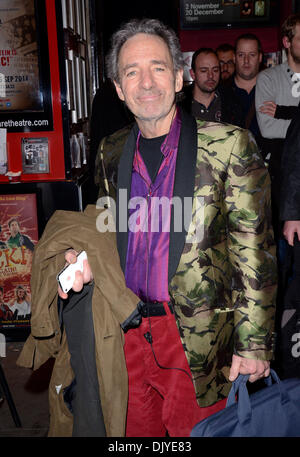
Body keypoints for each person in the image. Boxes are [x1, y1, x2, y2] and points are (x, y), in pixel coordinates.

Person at [59, 18, 276, 437]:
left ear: (179, 77)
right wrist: (85, 261)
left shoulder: (229, 145)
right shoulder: (110, 151)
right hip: (127, 333)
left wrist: (254, 345)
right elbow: (108, 230)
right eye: (131, 72)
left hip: (197, 338)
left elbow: (256, 255)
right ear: (119, 89)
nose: (146, 82)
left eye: (158, 67)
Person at [255, 14, 300, 240]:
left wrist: (285, 112)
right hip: (283, 178)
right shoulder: (268, 79)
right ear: (287, 42)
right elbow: (268, 128)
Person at [180, 47, 243, 126]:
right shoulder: (179, 105)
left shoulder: (232, 101)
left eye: (215, 70)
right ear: (193, 74)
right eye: (204, 70)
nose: (210, 76)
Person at [230, 33, 263, 148]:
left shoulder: (273, 90)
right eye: (241, 55)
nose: (246, 60)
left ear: (260, 58)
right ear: (234, 58)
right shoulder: (222, 93)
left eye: (252, 55)